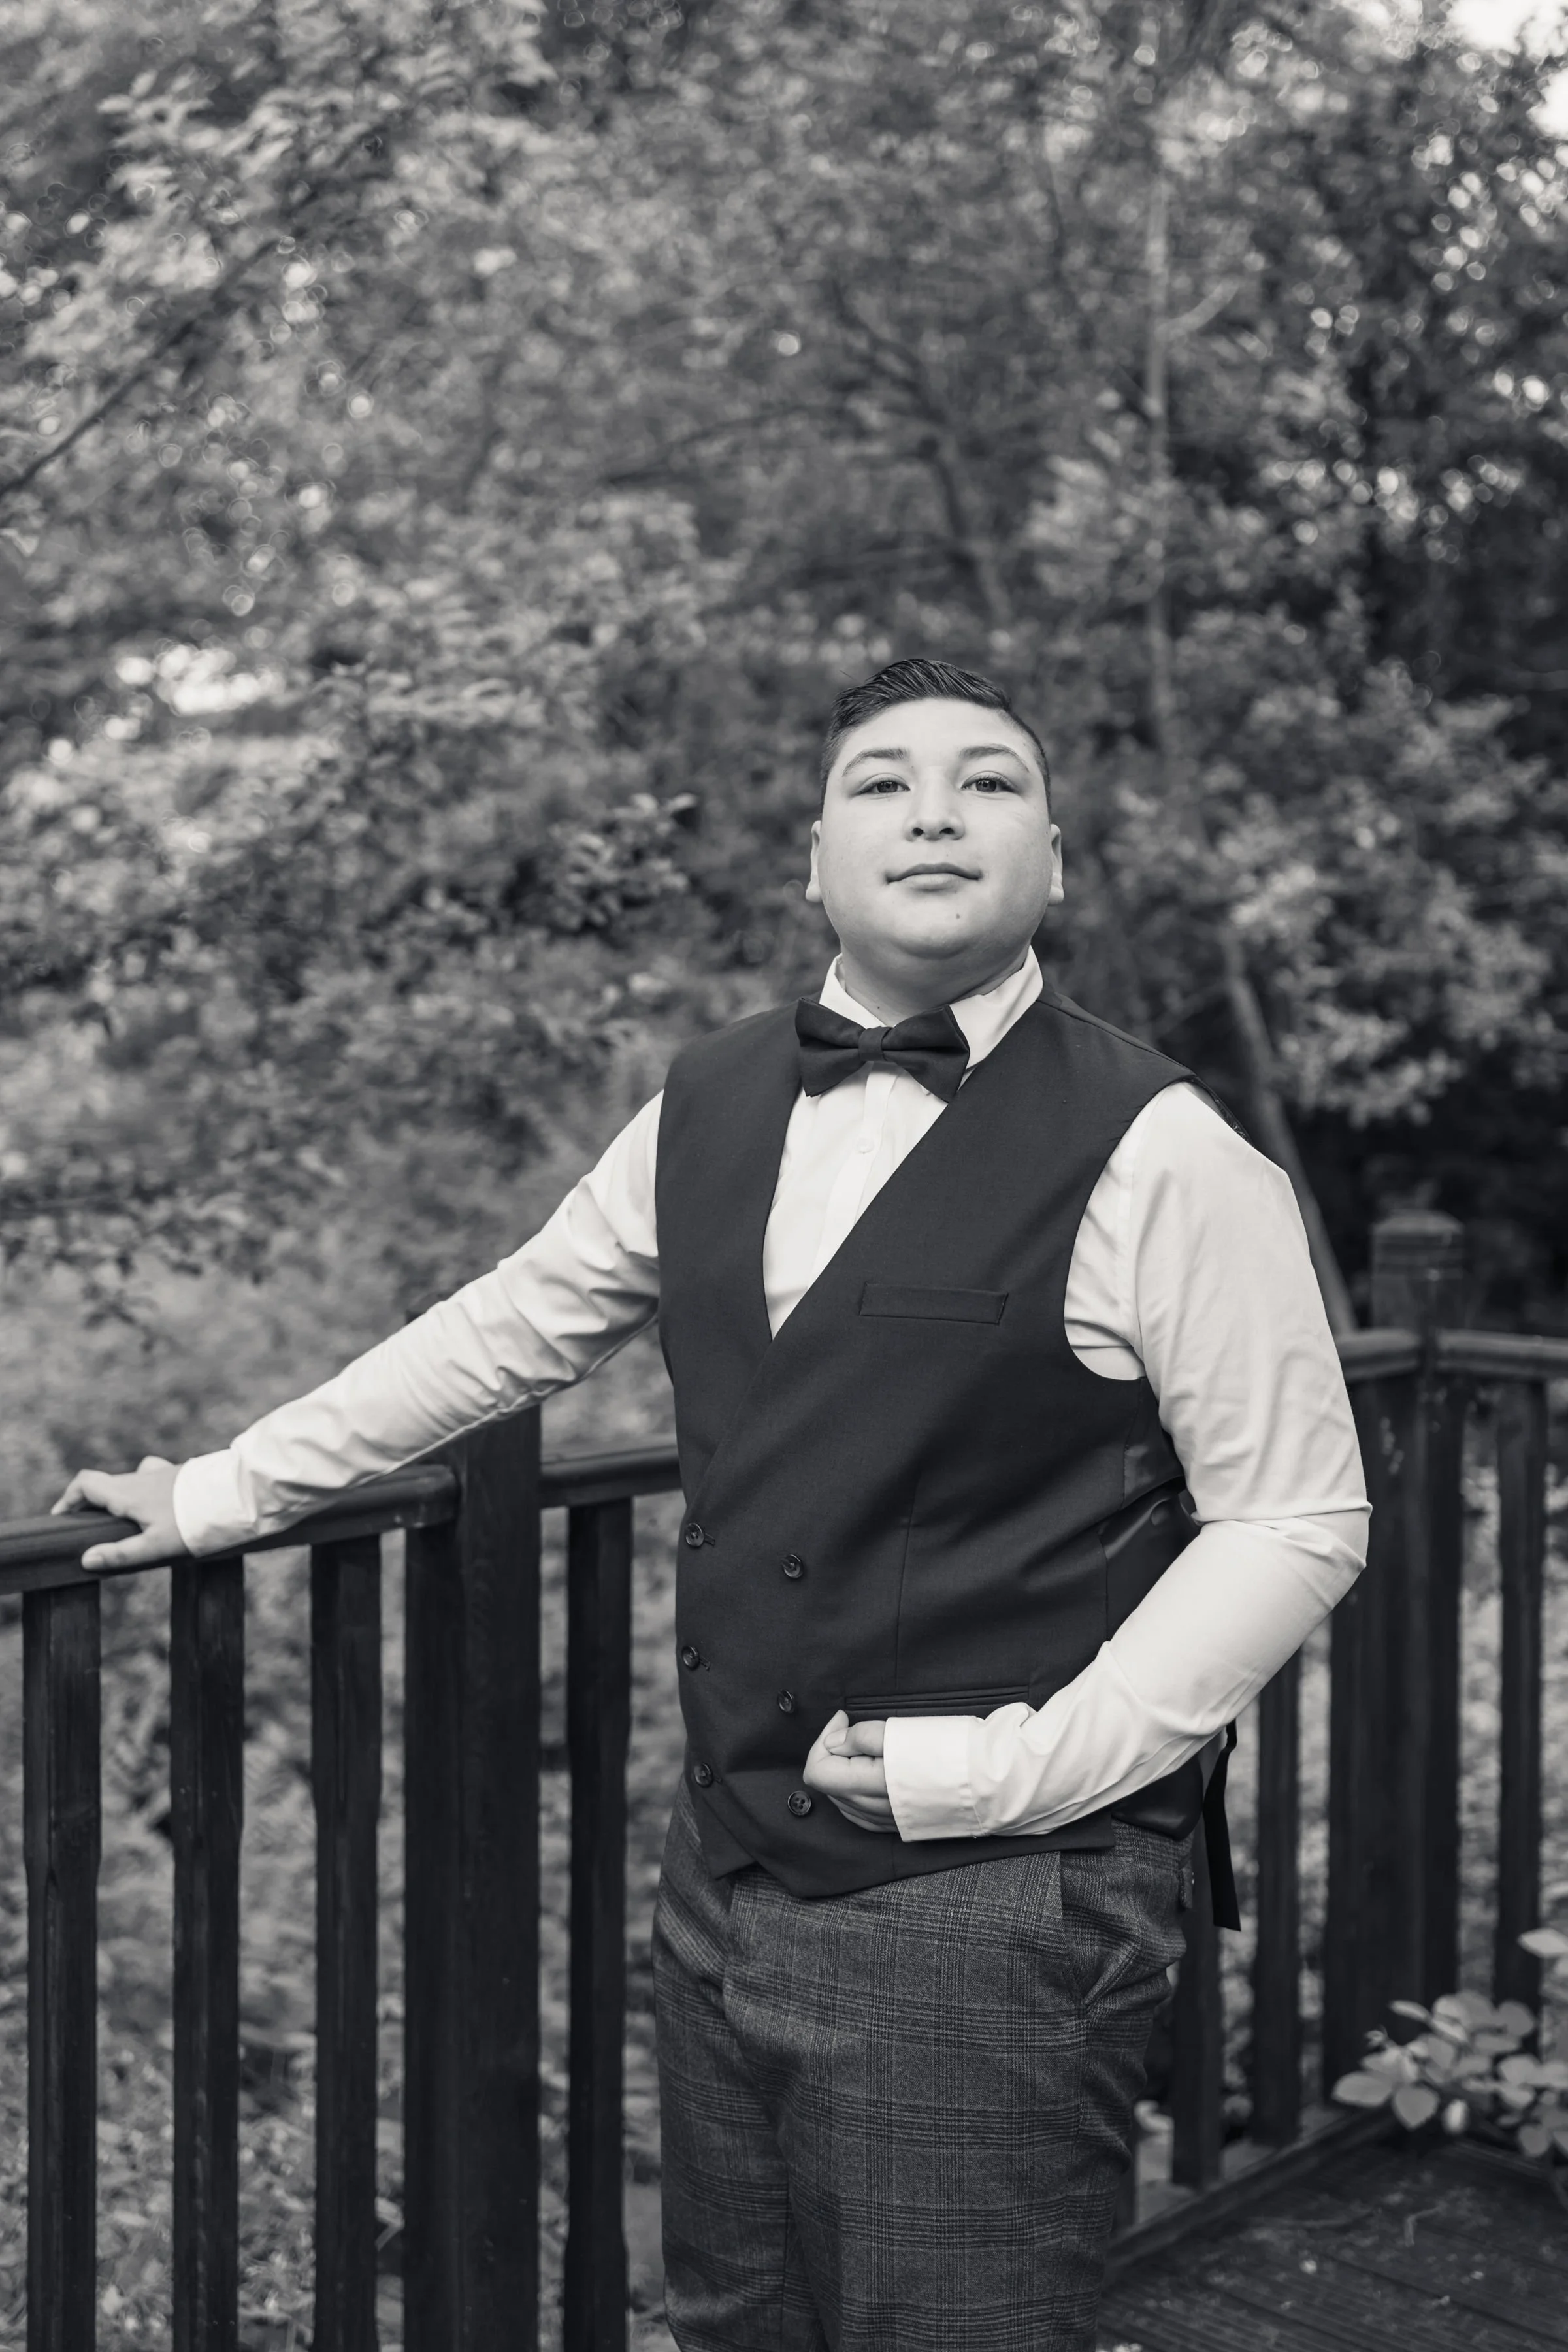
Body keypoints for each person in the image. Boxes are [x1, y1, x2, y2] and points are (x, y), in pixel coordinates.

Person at [57, 657, 1369, 2352]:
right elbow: (505, 1326)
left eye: (988, 781)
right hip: (728, 1866)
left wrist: (1007, 1767)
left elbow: (1296, 1519)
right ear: (814, 862)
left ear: (1054, 862)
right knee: (730, 2321)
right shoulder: (711, 1102)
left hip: (1002, 1906)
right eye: (884, 781)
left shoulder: (1174, 1156)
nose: (936, 808)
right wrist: (231, 1487)